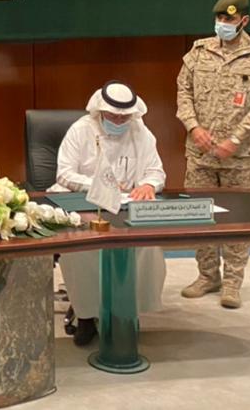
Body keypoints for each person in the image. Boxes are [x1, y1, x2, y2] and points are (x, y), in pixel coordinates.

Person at [176, 0, 250, 309]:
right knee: (199, 217)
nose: (222, 23)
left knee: (239, 220)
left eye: (229, 18)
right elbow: (183, 91)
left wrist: (235, 139)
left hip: (241, 158)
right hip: (201, 155)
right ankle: (207, 276)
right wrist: (193, 127)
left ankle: (233, 283)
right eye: (219, 18)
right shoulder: (199, 51)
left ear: (243, 20)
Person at [49, 82, 166, 347]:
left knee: (147, 245)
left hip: (125, 208)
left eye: (125, 117)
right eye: (113, 117)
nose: (119, 122)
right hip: (85, 204)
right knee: (82, 248)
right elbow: (64, 174)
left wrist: (149, 185)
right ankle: (85, 314)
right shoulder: (81, 130)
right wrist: (102, 184)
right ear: (100, 111)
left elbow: (156, 171)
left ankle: (128, 312)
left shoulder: (140, 131)